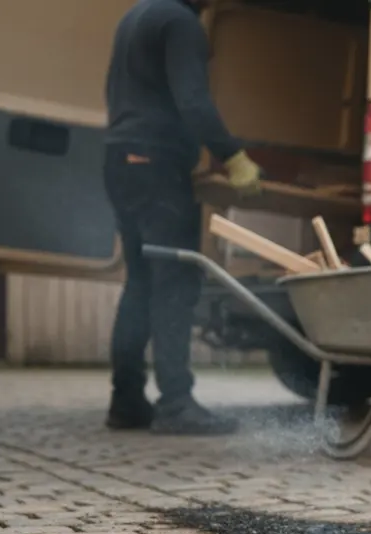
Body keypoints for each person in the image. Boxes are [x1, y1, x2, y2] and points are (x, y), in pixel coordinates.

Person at [102, 0, 262, 435]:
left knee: (139, 282)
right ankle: (176, 403)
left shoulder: (136, 17)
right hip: (154, 164)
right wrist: (233, 155)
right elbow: (192, 99)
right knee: (173, 283)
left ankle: (126, 401)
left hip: (121, 158)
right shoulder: (180, 23)